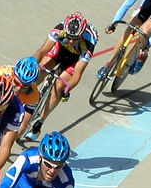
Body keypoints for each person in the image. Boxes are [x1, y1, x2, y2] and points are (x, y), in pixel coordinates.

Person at [24, 12, 99, 140]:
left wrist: (67, 89)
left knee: (59, 86)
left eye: (74, 39)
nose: (70, 41)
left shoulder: (89, 42)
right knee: (39, 71)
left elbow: (78, 73)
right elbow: (42, 51)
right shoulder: (59, 29)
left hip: (75, 59)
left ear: (81, 35)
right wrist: (31, 65)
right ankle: (25, 95)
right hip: (60, 50)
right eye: (68, 37)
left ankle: (39, 122)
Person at [0, 57, 42, 144]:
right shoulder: (0, 73)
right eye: (16, 82)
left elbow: (23, 123)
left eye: (24, 87)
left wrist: (8, 141)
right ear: (13, 74)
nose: (19, 89)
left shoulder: (33, 95)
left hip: (13, 109)